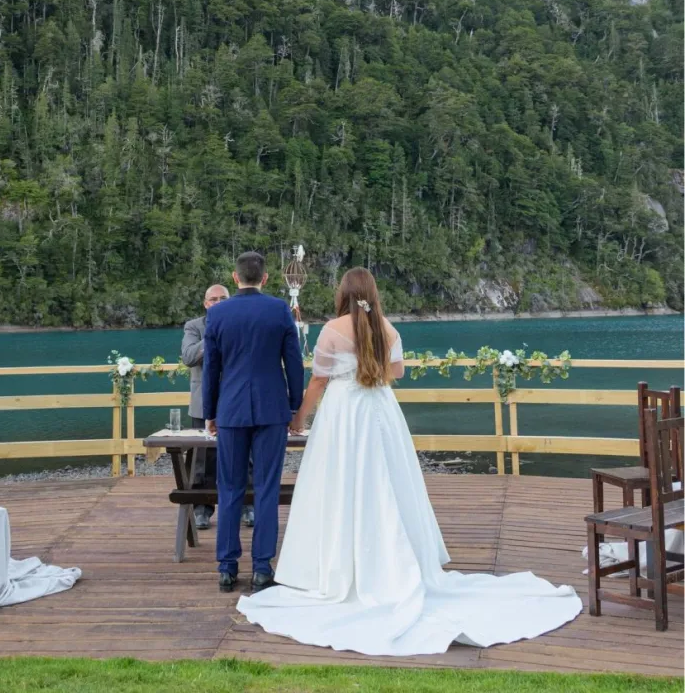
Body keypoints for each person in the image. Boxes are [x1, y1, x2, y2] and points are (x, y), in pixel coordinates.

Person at [238, 267, 583, 656]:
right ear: (371, 293)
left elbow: (318, 380)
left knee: (339, 483)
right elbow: (397, 371)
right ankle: (400, 559)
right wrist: (370, 373)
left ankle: (337, 566)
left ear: (344, 293)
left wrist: (298, 417)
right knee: (389, 481)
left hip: (344, 416)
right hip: (379, 410)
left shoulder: (333, 330)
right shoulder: (386, 327)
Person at [202, 251, 304, 594]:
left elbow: (211, 368)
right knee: (266, 488)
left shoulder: (218, 314)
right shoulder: (278, 310)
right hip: (271, 408)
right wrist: (293, 406)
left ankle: (227, 569)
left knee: (229, 488)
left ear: (235, 278)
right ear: (264, 278)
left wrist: (210, 412)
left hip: (230, 410)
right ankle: (262, 568)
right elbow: (294, 362)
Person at [182, 284, 253, 530]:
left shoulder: (240, 322)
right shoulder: (194, 326)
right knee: (203, 460)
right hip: (204, 403)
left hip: (237, 399)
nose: (219, 302)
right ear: (205, 303)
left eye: (224, 298)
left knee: (244, 456)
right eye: (214, 299)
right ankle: (202, 509)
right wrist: (211, 334)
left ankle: (247, 505)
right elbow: (189, 356)